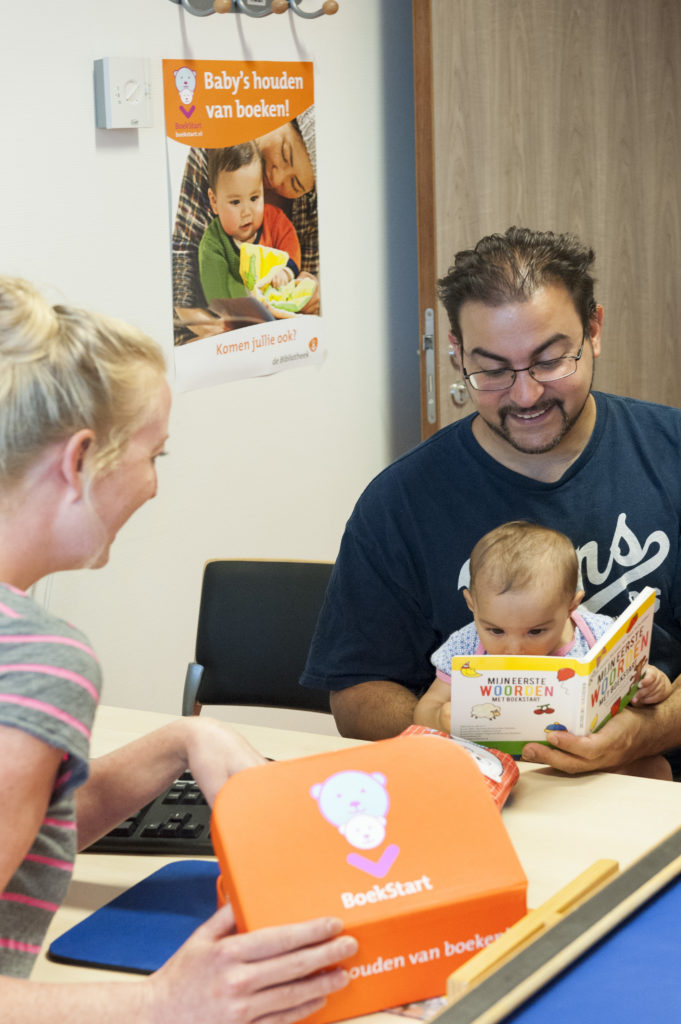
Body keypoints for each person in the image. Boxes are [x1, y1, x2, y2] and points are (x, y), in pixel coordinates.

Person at [0, 276, 357, 1019]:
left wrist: (178, 743)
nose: (155, 486)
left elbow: (27, 825)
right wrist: (165, 1004)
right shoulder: (36, 659)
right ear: (79, 461)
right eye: (155, 454)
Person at [300, 226, 681, 777]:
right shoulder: (400, 502)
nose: (526, 396)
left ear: (594, 330)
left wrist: (645, 732)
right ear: (455, 354)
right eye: (494, 370)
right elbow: (357, 695)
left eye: (551, 361)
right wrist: (475, 740)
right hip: (475, 794)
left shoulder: (670, 451)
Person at [414, 522, 672, 777]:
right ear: (472, 604)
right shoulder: (466, 646)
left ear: (572, 605)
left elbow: (635, 681)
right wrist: (440, 719)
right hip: (499, 770)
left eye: (536, 631)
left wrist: (653, 684)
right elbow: (426, 709)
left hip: (592, 766)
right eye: (495, 630)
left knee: (656, 767)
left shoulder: (600, 635)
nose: (514, 650)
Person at [173, 108, 319, 314]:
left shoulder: (296, 215)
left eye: (294, 184)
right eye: (284, 154)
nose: (276, 179)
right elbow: (184, 253)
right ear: (279, 118)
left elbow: (309, 273)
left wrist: (308, 287)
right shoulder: (214, 147)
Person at [198, 143, 301, 304]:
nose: (247, 212)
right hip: (240, 314)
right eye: (235, 202)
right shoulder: (213, 243)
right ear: (214, 202)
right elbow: (216, 295)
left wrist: (285, 271)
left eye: (254, 198)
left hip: (278, 304)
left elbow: (291, 249)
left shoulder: (275, 220)